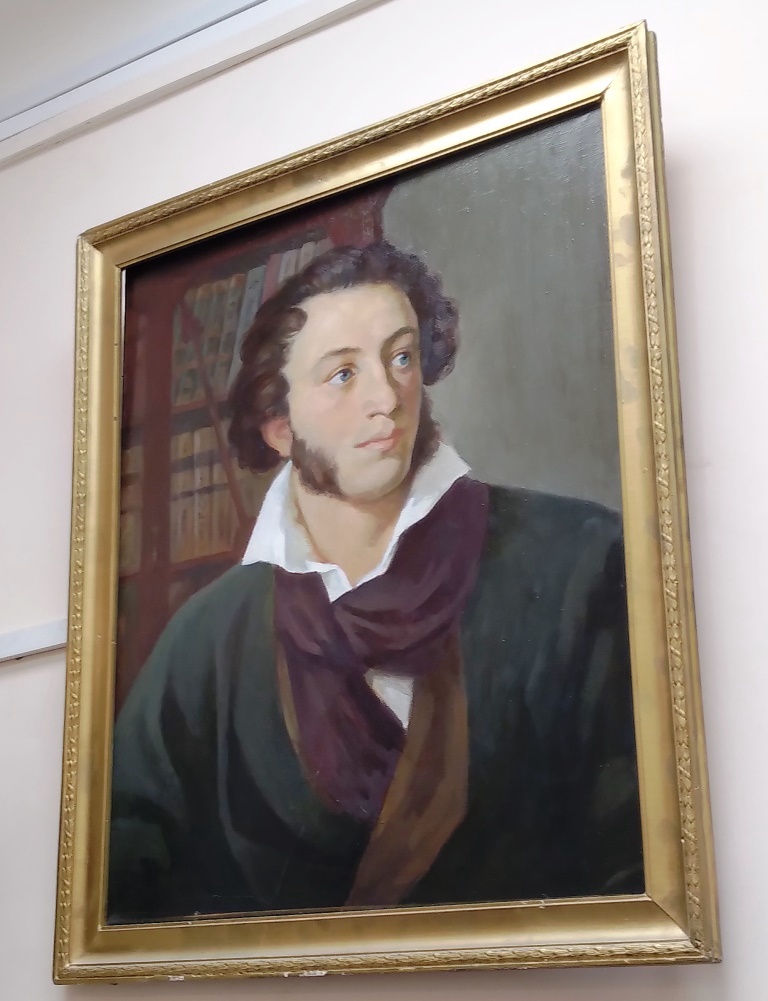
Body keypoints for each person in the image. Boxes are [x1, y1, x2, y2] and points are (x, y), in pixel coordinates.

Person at [108, 241, 643, 924]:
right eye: (342, 374)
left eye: (401, 358)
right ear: (279, 426)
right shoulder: (209, 640)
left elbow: (638, 851)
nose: (387, 398)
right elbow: (123, 878)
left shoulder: (578, 564)